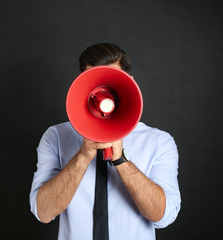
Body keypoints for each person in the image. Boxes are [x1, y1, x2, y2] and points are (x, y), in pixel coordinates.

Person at [29, 43, 181, 240]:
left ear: (130, 83)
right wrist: (83, 157)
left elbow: (164, 217)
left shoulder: (159, 141)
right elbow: (43, 212)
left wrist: (121, 161)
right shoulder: (56, 137)